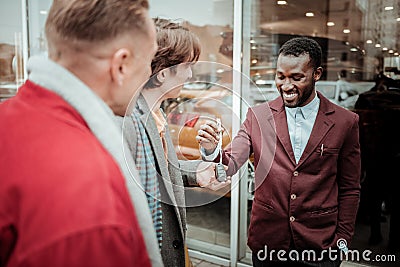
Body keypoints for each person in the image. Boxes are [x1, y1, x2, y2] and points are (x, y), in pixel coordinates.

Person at [0, 0, 163, 266]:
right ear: (121, 65)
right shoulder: (90, 197)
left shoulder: (9, 116)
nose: (149, 73)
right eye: (150, 60)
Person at [196, 37, 361, 266]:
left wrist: (342, 241)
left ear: (317, 74)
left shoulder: (346, 122)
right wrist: (211, 149)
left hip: (320, 248)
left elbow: (350, 187)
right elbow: (230, 162)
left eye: (297, 77)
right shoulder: (257, 116)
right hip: (268, 244)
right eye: (280, 76)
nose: (286, 85)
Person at [115, 18, 230, 267]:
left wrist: (195, 172)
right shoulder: (128, 123)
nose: (191, 74)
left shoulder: (155, 113)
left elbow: (159, 171)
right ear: (164, 73)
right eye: (187, 65)